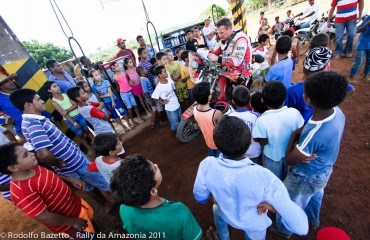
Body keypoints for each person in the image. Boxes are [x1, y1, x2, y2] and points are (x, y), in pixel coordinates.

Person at [193, 116, 309, 240]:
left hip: (224, 211)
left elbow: (200, 197)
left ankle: (222, 237)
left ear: (216, 144)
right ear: (250, 143)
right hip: (253, 221)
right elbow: (301, 227)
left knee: (216, 210)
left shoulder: (207, 164)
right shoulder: (264, 177)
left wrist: (215, 197)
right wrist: (271, 206)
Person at [272, 71, 348, 238]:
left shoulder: (314, 132)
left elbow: (290, 160)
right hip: (324, 170)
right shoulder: (337, 112)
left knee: (290, 203)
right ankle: (313, 220)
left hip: (305, 175)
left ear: (307, 99)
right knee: (314, 195)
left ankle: (284, 230)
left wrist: (293, 135)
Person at [8, 89, 109, 192]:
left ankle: (106, 203)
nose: (42, 101)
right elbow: (43, 154)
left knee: (87, 187)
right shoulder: (33, 124)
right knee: (105, 183)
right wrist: (59, 164)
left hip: (73, 164)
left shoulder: (34, 121)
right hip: (75, 164)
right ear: (28, 105)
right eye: (38, 100)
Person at [0, 142, 95, 237]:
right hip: (69, 224)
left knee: (93, 226)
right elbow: (43, 217)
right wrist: (73, 222)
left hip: (77, 206)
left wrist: (69, 179)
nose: (32, 154)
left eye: (28, 152)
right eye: (26, 155)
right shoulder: (21, 191)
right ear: (13, 167)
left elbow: (50, 175)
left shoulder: (33, 167)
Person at [111, 154, 202, 239]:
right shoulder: (179, 212)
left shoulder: (124, 208)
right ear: (153, 191)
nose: (156, 164)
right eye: (155, 169)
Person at [253, 81, 304, 180]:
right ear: (285, 98)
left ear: (262, 100)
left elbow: (262, 140)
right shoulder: (295, 113)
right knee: (288, 179)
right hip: (291, 155)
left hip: (272, 157)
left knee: (273, 182)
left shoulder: (262, 120)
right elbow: (300, 131)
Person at [208, 18, 252, 101]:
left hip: (242, 76)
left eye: (222, 33)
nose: (220, 35)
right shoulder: (225, 39)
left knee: (242, 101)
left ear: (230, 28)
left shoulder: (240, 38)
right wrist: (205, 54)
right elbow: (214, 51)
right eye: (218, 33)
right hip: (229, 74)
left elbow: (237, 61)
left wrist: (218, 59)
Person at [44, 81, 94, 154]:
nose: (58, 87)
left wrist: (66, 110)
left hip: (78, 115)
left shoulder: (65, 94)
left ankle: (95, 143)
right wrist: (73, 123)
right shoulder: (53, 102)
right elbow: (63, 113)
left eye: (57, 85)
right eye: (54, 86)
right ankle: (89, 148)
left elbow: (75, 105)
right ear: (49, 90)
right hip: (70, 120)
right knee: (80, 135)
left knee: (87, 130)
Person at [286, 47, 333, 123]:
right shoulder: (328, 85)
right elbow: (350, 89)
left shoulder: (292, 91)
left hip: (302, 127)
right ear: (325, 68)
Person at [229, 86, 262, 165]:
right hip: (254, 151)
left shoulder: (230, 116)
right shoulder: (256, 116)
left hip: (238, 152)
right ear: (249, 101)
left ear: (233, 101)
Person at [192, 82, 222, 157]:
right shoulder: (216, 113)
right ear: (209, 97)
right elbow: (222, 128)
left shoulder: (194, 109)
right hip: (219, 145)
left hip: (208, 142)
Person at [110, 61, 143, 126]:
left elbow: (128, 81)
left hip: (130, 91)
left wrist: (131, 83)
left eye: (118, 65)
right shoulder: (115, 78)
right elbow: (118, 87)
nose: (118, 67)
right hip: (124, 94)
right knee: (129, 108)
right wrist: (121, 96)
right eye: (116, 66)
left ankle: (139, 117)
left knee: (135, 105)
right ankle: (132, 120)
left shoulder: (124, 73)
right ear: (113, 69)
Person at [152, 66, 181, 132]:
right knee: (174, 122)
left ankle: (180, 131)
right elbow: (154, 97)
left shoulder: (169, 81)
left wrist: (176, 98)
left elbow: (173, 90)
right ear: (159, 75)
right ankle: (176, 133)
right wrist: (162, 102)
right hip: (170, 108)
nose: (166, 73)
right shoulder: (159, 86)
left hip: (177, 104)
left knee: (180, 118)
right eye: (164, 72)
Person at [349, 14, 370, 81]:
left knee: (369, 61)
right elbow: (358, 30)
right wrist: (368, 22)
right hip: (363, 42)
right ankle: (351, 76)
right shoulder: (368, 18)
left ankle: (365, 75)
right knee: (358, 59)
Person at [0, 125, 16, 201]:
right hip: (13, 192)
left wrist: (15, 146)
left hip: (15, 160)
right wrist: (18, 185)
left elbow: (6, 131)